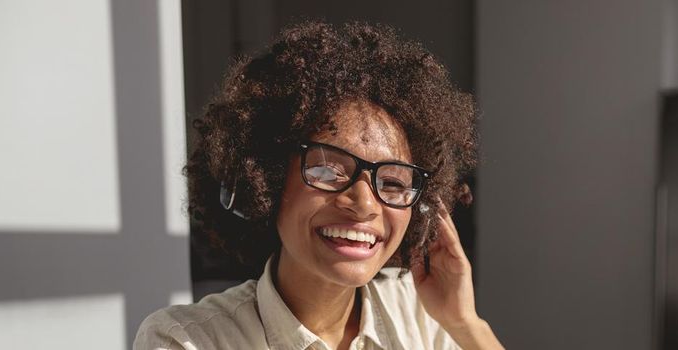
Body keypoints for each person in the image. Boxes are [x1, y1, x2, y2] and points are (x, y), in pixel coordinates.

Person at [134, 21, 502, 350]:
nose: (364, 204)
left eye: (391, 181)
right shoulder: (186, 339)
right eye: (328, 171)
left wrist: (465, 324)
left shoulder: (419, 313)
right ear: (268, 179)